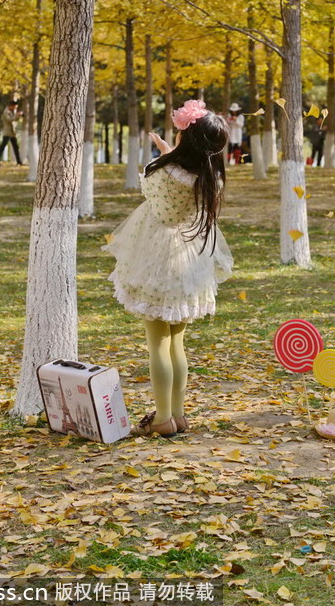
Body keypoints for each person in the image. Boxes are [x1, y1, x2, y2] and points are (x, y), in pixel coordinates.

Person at [102, 100, 233, 438]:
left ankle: (162, 418)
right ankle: (177, 414)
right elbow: (183, 168)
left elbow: (148, 184)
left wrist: (164, 155)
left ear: (185, 137)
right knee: (177, 343)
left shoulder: (165, 172)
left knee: (158, 342)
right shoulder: (210, 178)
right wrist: (171, 151)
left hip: (159, 258)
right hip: (190, 260)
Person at [0, 100, 23, 165]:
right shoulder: (6, 112)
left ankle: (19, 161)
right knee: (3, 146)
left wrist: (18, 116)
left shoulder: (12, 111)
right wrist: (16, 115)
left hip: (12, 132)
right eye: (15, 107)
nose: (15, 109)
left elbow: (14, 119)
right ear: (11, 106)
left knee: (15, 147)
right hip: (7, 132)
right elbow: (9, 120)